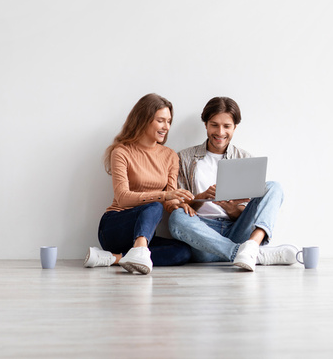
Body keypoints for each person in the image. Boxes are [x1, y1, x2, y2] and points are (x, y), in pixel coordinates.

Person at [168, 96, 297, 271]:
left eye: (227, 126)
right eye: (214, 124)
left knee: (274, 187)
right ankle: (253, 254)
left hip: (237, 229)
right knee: (176, 217)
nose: (220, 132)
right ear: (205, 124)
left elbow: (248, 213)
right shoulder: (184, 158)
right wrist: (199, 198)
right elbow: (181, 205)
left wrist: (231, 209)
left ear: (235, 127)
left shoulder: (244, 158)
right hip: (204, 238)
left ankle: (252, 245)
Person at [84, 93, 194, 274]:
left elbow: (168, 202)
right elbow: (123, 198)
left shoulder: (170, 156)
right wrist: (165, 195)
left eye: (169, 121)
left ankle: (114, 258)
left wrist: (183, 202)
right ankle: (139, 250)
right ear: (144, 119)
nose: (166, 127)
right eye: (160, 121)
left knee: (183, 252)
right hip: (115, 226)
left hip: (144, 233)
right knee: (154, 206)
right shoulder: (122, 152)